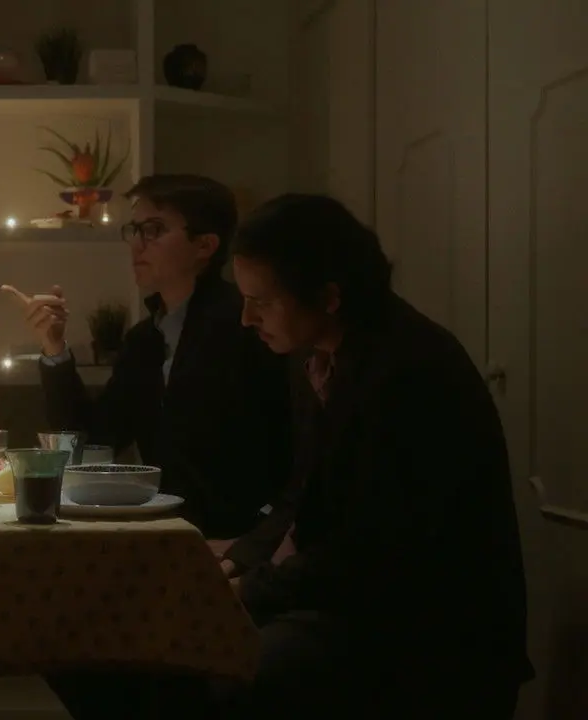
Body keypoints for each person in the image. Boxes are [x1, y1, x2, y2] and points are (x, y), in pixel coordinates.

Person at [220, 193, 533, 717]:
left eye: (263, 301)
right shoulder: (317, 356)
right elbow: (304, 497)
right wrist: (238, 563)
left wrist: (249, 590)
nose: (246, 318)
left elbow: (374, 547)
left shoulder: (409, 370)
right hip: (359, 607)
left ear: (329, 297)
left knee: (231, 671)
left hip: (429, 637)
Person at [12, 174, 292, 540]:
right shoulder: (144, 340)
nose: (137, 244)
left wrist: (255, 543)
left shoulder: (247, 326)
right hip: (166, 533)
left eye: (154, 230)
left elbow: (289, 451)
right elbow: (90, 439)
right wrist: (54, 348)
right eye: (134, 230)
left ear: (205, 245)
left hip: (238, 540)